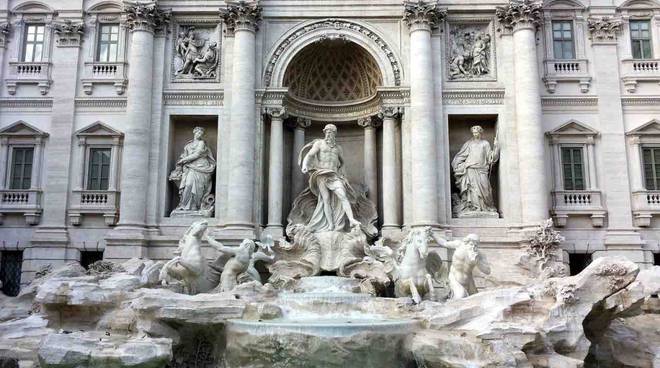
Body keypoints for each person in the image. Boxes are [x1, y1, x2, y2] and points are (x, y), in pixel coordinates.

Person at [299, 124, 361, 232]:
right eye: (327, 132)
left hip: (334, 175)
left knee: (343, 196)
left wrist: (343, 175)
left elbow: (343, 163)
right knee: (325, 199)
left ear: (334, 134)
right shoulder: (319, 144)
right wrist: (305, 165)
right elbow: (309, 155)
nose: (328, 134)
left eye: (331, 132)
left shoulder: (338, 148)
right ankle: (330, 225)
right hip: (321, 174)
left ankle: (351, 220)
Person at [451, 125, 499, 215]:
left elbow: (490, 158)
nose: (475, 134)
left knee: (486, 189)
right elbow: (462, 155)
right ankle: (474, 207)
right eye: (473, 133)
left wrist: (496, 148)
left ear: (480, 133)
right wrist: (457, 163)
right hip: (470, 168)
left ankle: (486, 207)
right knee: (472, 189)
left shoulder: (485, 143)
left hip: (482, 169)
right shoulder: (469, 143)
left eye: (476, 132)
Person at [169, 127, 216, 213]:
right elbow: (183, 155)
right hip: (190, 167)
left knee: (199, 188)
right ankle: (184, 206)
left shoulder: (201, 143)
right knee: (188, 184)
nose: (199, 135)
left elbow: (197, 154)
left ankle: (195, 207)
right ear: (194, 133)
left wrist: (184, 160)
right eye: (198, 133)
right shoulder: (188, 145)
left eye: (201, 134)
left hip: (201, 167)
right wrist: (181, 163)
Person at [433, 233, 491, 299]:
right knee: (460, 296)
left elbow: (487, 271)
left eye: (476, 245)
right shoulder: (459, 245)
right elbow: (444, 243)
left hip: (469, 281)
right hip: (454, 278)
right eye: (471, 244)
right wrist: (433, 234)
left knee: (477, 299)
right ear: (467, 242)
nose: (473, 247)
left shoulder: (479, 254)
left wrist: (477, 262)